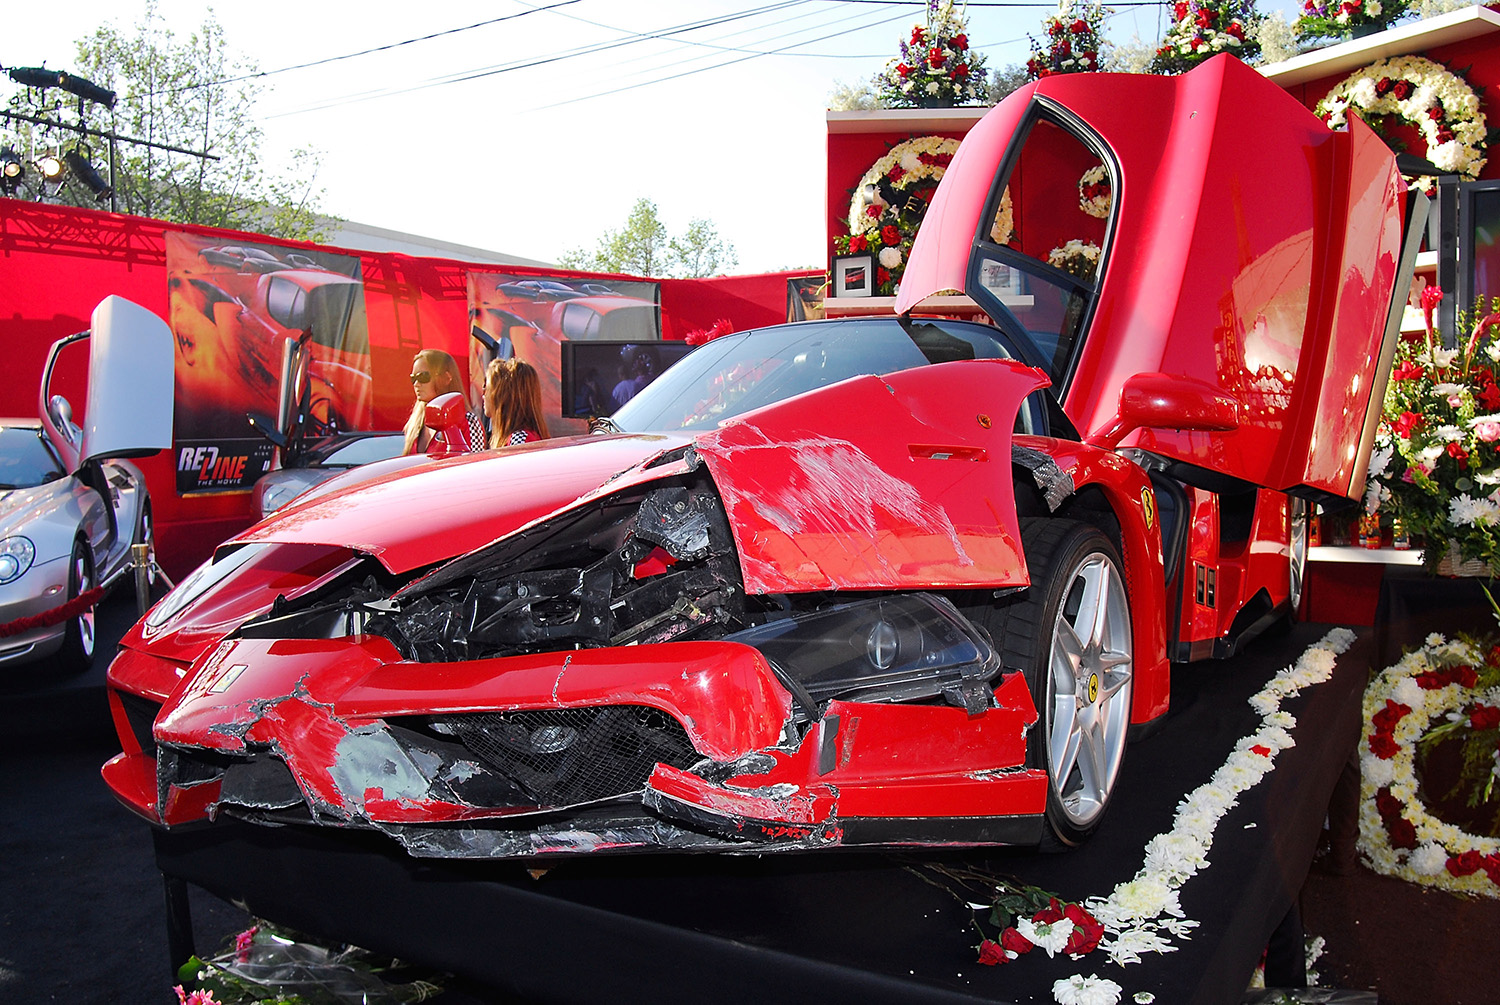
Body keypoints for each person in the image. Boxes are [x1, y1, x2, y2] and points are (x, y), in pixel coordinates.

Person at [402, 349, 485, 455]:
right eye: (413, 379)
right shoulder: (415, 423)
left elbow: (475, 465)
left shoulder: (468, 422)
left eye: (423, 377)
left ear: (447, 378)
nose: (416, 384)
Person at [485, 358, 550, 448]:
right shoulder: (522, 437)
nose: (483, 394)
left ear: (503, 397)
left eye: (487, 388)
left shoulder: (519, 440)